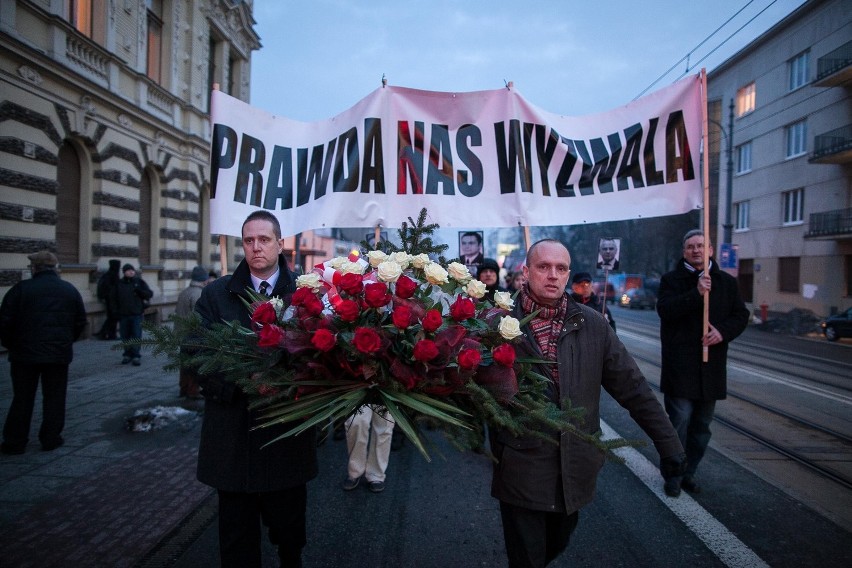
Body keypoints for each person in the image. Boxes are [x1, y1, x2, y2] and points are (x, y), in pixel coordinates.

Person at [491, 239, 685, 567]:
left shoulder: (593, 324)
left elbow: (633, 388)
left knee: (558, 540)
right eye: (543, 267)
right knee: (527, 559)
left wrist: (669, 445)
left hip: (575, 465)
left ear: (568, 275)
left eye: (561, 268)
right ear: (526, 272)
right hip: (521, 465)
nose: (553, 275)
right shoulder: (497, 323)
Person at [193, 210, 318, 568]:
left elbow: (321, 356)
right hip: (232, 440)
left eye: (264, 240)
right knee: (236, 543)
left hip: (285, 439)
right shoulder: (216, 295)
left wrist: (289, 385)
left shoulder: (305, 294)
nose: (256, 247)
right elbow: (196, 354)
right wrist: (241, 385)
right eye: (249, 241)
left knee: (289, 537)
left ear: (280, 244)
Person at [656, 229, 749, 497]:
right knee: (680, 421)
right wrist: (695, 293)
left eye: (701, 245)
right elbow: (665, 311)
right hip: (681, 366)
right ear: (684, 251)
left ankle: (689, 472)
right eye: (690, 246)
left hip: (711, 367)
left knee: (701, 428)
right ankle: (672, 473)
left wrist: (723, 332)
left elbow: (741, 316)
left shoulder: (727, 283)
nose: (696, 250)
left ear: (710, 250)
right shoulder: (671, 280)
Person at [0, 251, 87, 454]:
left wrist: (11, 344)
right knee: (55, 397)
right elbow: (80, 321)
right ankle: (50, 438)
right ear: (55, 268)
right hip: (57, 354)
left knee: (22, 398)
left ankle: (15, 441)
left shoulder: (21, 289)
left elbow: (4, 321)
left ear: (35, 268)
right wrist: (65, 341)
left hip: (24, 355)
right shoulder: (69, 290)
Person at [342, 405, 395, 493]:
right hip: (356, 391)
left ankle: (376, 474)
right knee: (355, 422)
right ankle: (355, 470)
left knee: (384, 426)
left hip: (386, 392)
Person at [175, 266, 208, 398]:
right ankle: (192, 390)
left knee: (185, 363)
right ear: (203, 280)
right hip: (192, 335)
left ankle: (183, 388)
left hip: (182, 332)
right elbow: (199, 317)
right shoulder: (198, 294)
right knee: (194, 363)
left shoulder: (185, 292)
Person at [111, 264, 153, 366]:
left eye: (132, 270)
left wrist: (140, 291)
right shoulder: (119, 284)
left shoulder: (139, 282)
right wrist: (115, 312)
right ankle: (127, 354)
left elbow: (149, 294)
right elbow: (113, 299)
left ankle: (136, 355)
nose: (131, 272)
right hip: (123, 315)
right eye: (129, 270)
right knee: (125, 336)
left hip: (136, 315)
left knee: (136, 335)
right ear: (124, 272)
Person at [96, 259, 121, 340]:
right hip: (111, 301)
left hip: (111, 300)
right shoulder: (112, 275)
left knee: (112, 318)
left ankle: (108, 334)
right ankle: (107, 334)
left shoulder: (108, 275)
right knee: (113, 318)